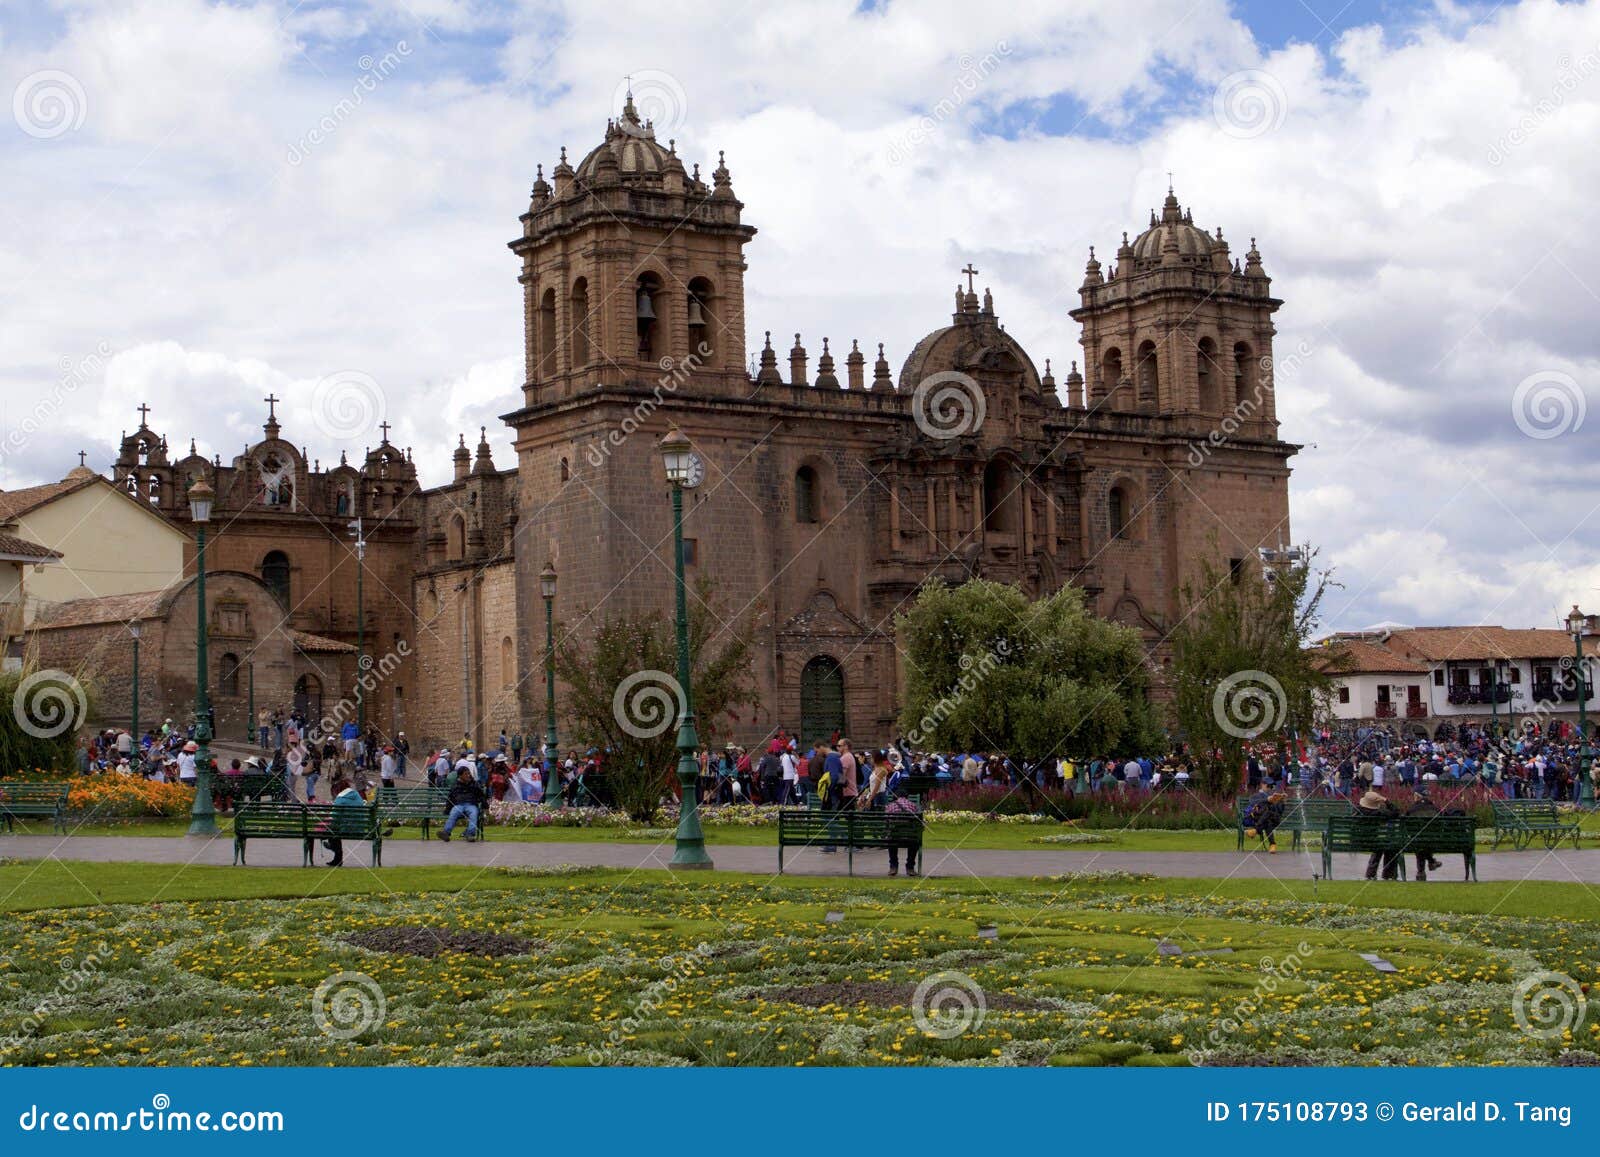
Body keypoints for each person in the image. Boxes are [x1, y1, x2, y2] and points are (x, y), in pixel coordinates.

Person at [1356, 788, 1399, 880]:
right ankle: (1388, 874)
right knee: (1388, 846)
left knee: (1380, 846)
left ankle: (1371, 874)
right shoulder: (1379, 813)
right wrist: (1386, 801)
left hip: (1356, 841)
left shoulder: (1356, 811)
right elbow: (1396, 812)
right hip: (1373, 841)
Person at [322, 776, 365, 867]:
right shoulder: (356, 795)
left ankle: (332, 848)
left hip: (347, 829)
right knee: (333, 830)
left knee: (332, 829)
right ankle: (336, 858)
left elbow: (334, 817)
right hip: (360, 828)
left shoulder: (340, 799)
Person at [439, 767, 487, 842]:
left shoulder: (474, 784)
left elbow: (481, 795)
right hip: (459, 805)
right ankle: (446, 833)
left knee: (474, 814)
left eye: (469, 773)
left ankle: (470, 834)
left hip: (471, 804)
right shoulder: (455, 785)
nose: (468, 775)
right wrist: (447, 809)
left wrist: (485, 805)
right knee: (453, 813)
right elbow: (450, 798)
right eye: (466, 774)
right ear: (460, 776)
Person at [886, 790, 922, 877]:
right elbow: (919, 823)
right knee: (914, 841)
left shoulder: (890, 806)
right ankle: (910, 867)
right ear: (907, 797)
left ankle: (893, 866)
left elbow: (886, 822)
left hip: (895, 837)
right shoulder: (913, 805)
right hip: (910, 837)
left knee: (891, 839)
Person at [1242, 788, 1287, 853]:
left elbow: (1280, 813)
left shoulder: (1279, 801)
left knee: (1268, 814)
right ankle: (1272, 845)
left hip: (1275, 820)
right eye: (1274, 795)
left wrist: (1282, 802)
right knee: (1268, 823)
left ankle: (1255, 830)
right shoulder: (1263, 799)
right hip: (1266, 821)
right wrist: (1268, 800)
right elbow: (1255, 804)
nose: (1275, 796)